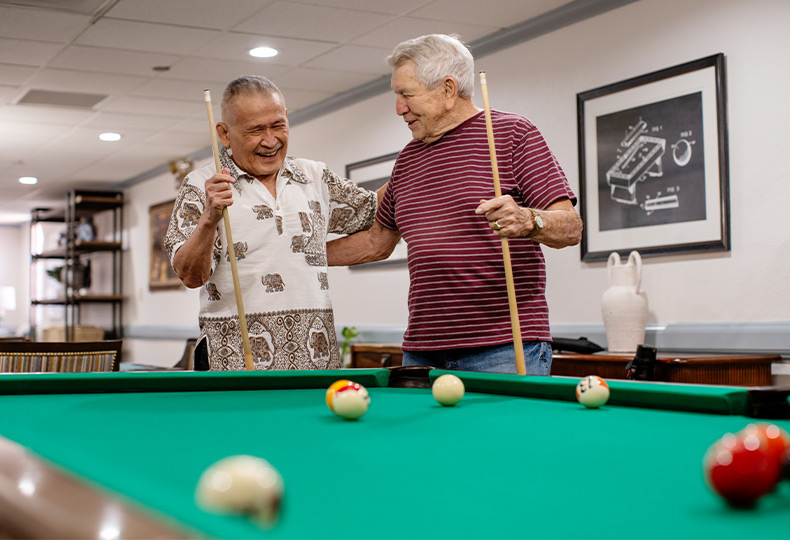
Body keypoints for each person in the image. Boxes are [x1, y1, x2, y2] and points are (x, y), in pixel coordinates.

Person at [327, 34, 583, 375]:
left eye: (406, 94)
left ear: (448, 90)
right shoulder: (407, 161)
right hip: (422, 351)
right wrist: (303, 256)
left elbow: (571, 227)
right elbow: (376, 242)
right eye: (396, 95)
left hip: (504, 347)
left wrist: (529, 220)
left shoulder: (513, 134)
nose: (399, 107)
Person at [164, 75, 379, 371]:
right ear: (225, 134)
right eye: (255, 130)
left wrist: (420, 163)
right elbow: (190, 275)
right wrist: (208, 220)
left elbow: (376, 211)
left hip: (316, 366)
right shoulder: (201, 184)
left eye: (278, 125)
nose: (270, 140)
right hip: (234, 367)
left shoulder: (316, 176)